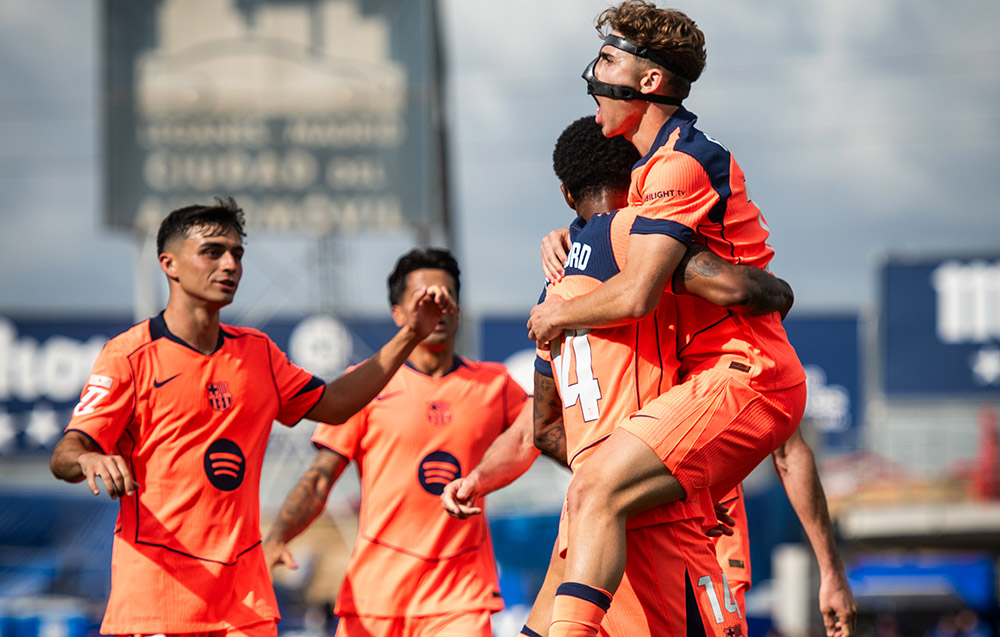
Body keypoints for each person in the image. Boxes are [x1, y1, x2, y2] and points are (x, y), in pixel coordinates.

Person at [526, 4, 816, 635]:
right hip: (705, 384)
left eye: (608, 61)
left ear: (650, 80)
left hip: (747, 376)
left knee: (596, 486)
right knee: (597, 494)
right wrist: (579, 236)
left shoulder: (676, 165)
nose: (593, 77)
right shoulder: (641, 180)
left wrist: (558, 312)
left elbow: (638, 294)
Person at [446, 116, 795, 636]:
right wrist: (782, 291)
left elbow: (543, 430)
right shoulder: (637, 236)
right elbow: (737, 288)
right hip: (655, 524)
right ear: (639, 176)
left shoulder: (552, 291)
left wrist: (597, 467)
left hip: (587, 525)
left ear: (567, 195)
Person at [49, 198, 454, 637]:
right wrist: (88, 458)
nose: (230, 265)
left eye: (237, 254)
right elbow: (66, 453)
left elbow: (336, 403)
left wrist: (411, 334)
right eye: (212, 252)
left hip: (244, 604)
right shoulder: (129, 355)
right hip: (157, 599)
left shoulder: (257, 352)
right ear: (169, 264)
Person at [262, 248, 530, 637]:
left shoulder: (495, 384)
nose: (437, 308)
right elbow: (320, 477)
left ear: (458, 308)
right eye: (424, 299)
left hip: (459, 598)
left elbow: (547, 434)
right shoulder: (365, 386)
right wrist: (277, 538)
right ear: (398, 314)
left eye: (445, 297)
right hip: (375, 598)